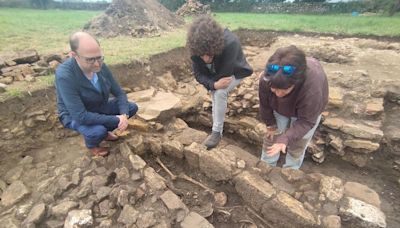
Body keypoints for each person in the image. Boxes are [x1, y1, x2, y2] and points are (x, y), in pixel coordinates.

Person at [55, 32, 138, 157]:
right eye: (90, 59)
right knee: (97, 131)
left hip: (98, 105)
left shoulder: (100, 66)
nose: (97, 64)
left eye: (99, 57)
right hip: (74, 115)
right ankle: (93, 145)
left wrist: (124, 115)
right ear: (74, 55)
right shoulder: (65, 76)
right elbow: (80, 116)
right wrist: (116, 119)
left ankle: (106, 132)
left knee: (130, 107)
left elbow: (119, 93)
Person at [187, 16, 253, 149]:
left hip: (235, 72)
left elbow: (224, 75)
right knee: (215, 90)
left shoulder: (230, 43)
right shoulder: (196, 47)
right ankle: (215, 127)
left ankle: (216, 131)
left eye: (209, 54)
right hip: (215, 75)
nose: (205, 59)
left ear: (214, 46)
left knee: (219, 93)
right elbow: (198, 74)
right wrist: (212, 84)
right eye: (202, 55)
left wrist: (213, 85)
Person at [258, 45, 328, 169]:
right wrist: (270, 124)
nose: (278, 94)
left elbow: (306, 122)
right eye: (274, 89)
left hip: (306, 114)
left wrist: (286, 138)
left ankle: (291, 169)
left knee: (297, 143)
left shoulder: (312, 89)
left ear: (297, 82)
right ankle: (266, 165)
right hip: (280, 109)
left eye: (284, 90)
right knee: (273, 136)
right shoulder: (267, 78)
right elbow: (265, 104)